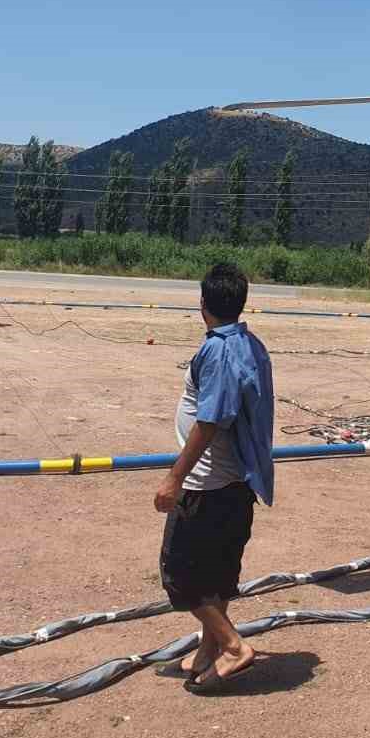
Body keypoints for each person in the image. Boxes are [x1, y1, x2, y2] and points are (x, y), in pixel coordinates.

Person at [153, 263, 276, 694]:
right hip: (237, 483)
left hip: (208, 485)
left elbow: (211, 421)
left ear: (202, 305)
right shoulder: (251, 345)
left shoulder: (219, 352)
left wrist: (174, 479)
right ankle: (209, 651)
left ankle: (234, 647)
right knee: (218, 574)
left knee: (181, 576)